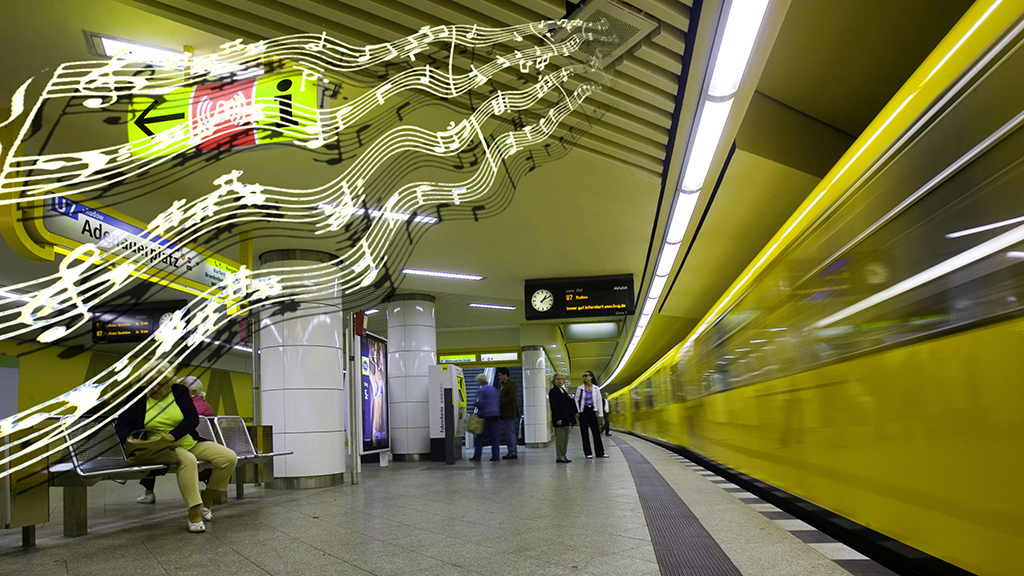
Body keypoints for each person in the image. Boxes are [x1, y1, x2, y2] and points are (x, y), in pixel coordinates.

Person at [115, 367, 238, 533]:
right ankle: (194, 513)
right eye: (151, 383)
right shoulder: (137, 396)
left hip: (187, 441)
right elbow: (122, 424)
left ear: (170, 382)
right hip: (158, 447)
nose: (156, 388)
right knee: (188, 460)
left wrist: (173, 435)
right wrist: (129, 440)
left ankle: (208, 497)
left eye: (161, 383)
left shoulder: (179, 392)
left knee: (228, 457)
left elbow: (192, 418)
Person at [136, 376, 213, 503]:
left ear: (193, 392)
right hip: (177, 441)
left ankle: (149, 492)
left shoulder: (196, 405)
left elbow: (184, 422)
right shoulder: (191, 402)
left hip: (187, 441)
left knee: (158, 449)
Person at [574, 371, 607, 459]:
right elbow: (576, 400)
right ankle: (588, 453)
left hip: (592, 410)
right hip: (583, 411)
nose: (585, 377)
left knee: (596, 432)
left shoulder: (596, 388)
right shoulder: (580, 388)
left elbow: (599, 402)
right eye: (584, 376)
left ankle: (600, 452)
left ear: (591, 377)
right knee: (584, 433)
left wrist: (600, 414)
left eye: (586, 375)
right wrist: (577, 411)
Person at [470, 372, 501, 462]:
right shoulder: (494, 389)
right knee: (495, 437)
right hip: (495, 415)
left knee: (479, 436)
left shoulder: (482, 390)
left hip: (486, 415)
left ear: (480, 382)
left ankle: (477, 456)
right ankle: (495, 456)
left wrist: (475, 405)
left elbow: (481, 403)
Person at [548, 373, 576, 463]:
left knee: (565, 438)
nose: (560, 380)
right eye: (557, 379)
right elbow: (554, 406)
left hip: (566, 418)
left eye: (561, 379)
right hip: (559, 419)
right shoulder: (553, 391)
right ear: (554, 380)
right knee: (560, 438)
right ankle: (560, 456)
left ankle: (563, 455)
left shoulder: (563, 391)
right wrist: (557, 418)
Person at [497, 367, 519, 460]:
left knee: (509, 432)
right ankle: (513, 451)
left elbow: (512, 397)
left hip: (509, 411)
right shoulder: (502, 384)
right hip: (506, 411)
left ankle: (512, 452)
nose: (499, 377)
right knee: (510, 432)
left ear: (505, 375)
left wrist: (501, 401)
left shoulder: (511, 383)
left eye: (500, 375)